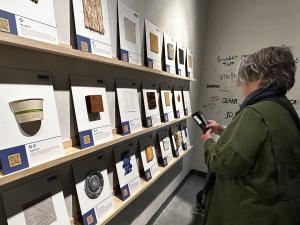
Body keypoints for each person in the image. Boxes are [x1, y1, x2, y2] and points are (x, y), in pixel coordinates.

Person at [200, 46, 300, 225]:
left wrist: (208, 142)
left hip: (248, 211)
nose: (242, 87)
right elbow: (264, 145)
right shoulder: (283, 108)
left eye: (244, 81)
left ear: (258, 77)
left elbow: (223, 163)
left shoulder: (254, 112)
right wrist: (224, 131)